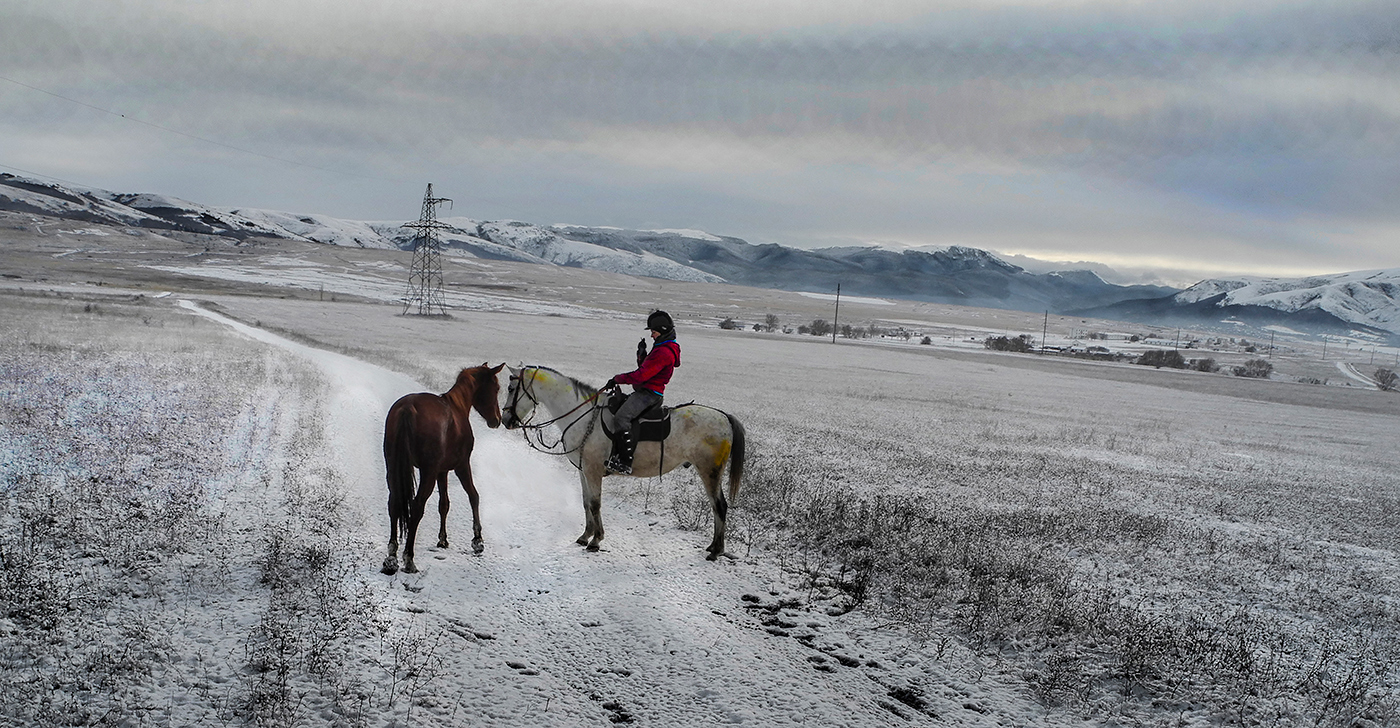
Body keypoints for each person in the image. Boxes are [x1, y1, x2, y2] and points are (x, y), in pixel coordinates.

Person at [602, 310, 681, 474]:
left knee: (622, 418)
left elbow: (641, 376)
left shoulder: (663, 352)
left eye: (654, 332)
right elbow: (647, 369)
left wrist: (617, 378)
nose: (652, 335)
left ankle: (625, 461)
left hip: (648, 394)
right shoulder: (661, 347)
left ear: (663, 330)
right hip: (648, 391)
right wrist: (642, 355)